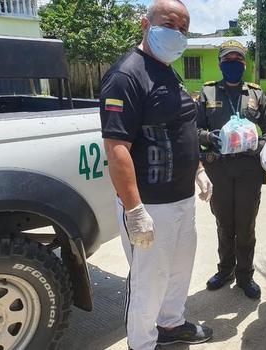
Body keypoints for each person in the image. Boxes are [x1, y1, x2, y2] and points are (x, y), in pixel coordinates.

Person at [99, 1, 213, 348]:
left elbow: (180, 127)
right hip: (150, 206)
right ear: (145, 24)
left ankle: (171, 324)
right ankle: (142, 342)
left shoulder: (167, 70)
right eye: (170, 23)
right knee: (148, 282)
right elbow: (117, 148)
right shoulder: (127, 75)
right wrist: (134, 210)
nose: (178, 33)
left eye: (184, 28)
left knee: (178, 272)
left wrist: (199, 169)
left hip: (182, 199)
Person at [197, 39, 266, 299]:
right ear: (220, 63)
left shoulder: (255, 94)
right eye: (228, 60)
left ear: (244, 64)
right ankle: (225, 270)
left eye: (238, 60)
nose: (233, 64)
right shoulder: (208, 92)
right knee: (223, 224)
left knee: (245, 225)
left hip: (248, 170)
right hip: (218, 170)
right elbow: (192, 130)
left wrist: (258, 145)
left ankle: (245, 276)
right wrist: (209, 137)